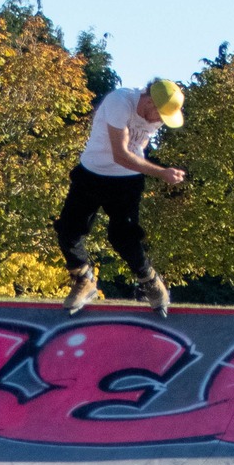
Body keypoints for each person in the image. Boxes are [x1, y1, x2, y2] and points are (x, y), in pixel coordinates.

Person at [54, 78, 187, 318]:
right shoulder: (119, 102)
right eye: (159, 115)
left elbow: (138, 148)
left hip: (127, 181)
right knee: (68, 232)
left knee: (124, 238)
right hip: (91, 173)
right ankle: (84, 279)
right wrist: (162, 173)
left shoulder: (154, 116)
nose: (159, 122)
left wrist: (149, 170)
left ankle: (150, 281)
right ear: (148, 101)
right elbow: (121, 154)